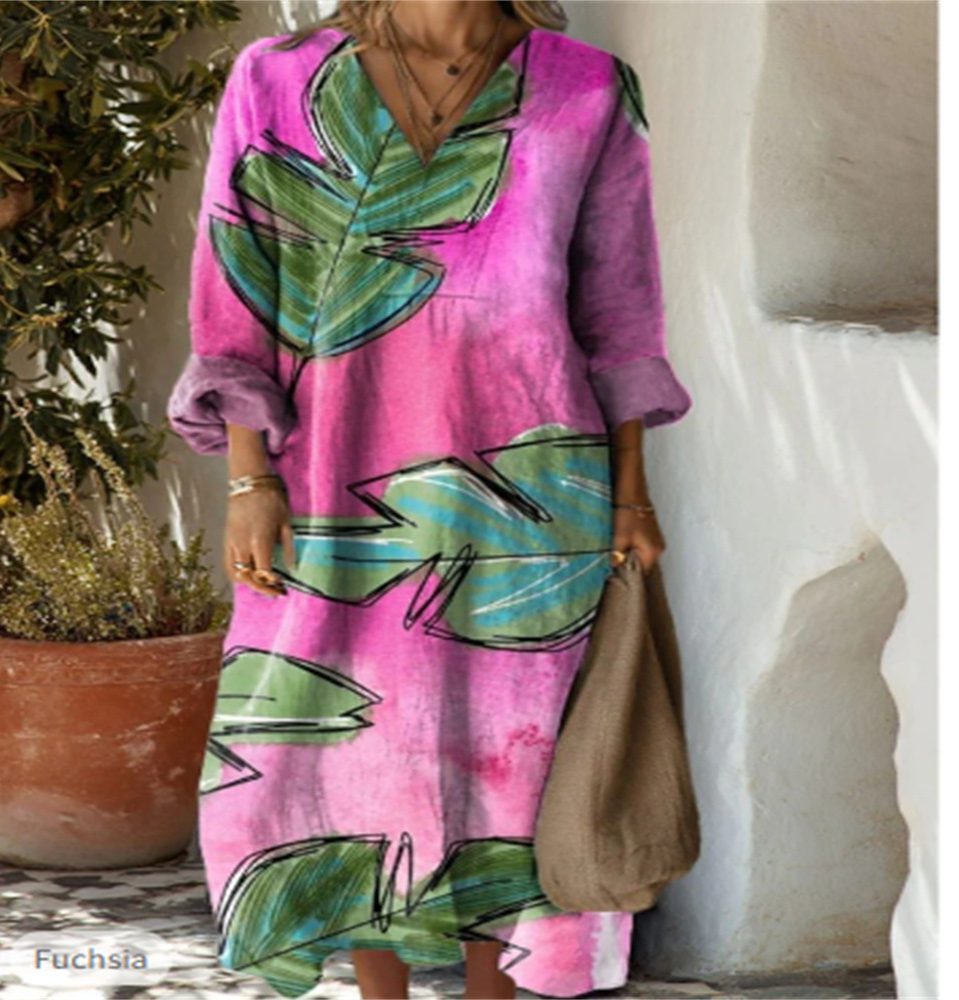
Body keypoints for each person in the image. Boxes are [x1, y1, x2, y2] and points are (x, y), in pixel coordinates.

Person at [167, 1, 693, 997]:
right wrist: (247, 476)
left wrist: (629, 496)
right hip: (329, 493)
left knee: (513, 772)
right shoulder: (276, 79)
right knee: (349, 766)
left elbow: (620, 312)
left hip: (529, 494)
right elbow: (236, 293)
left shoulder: (584, 88)